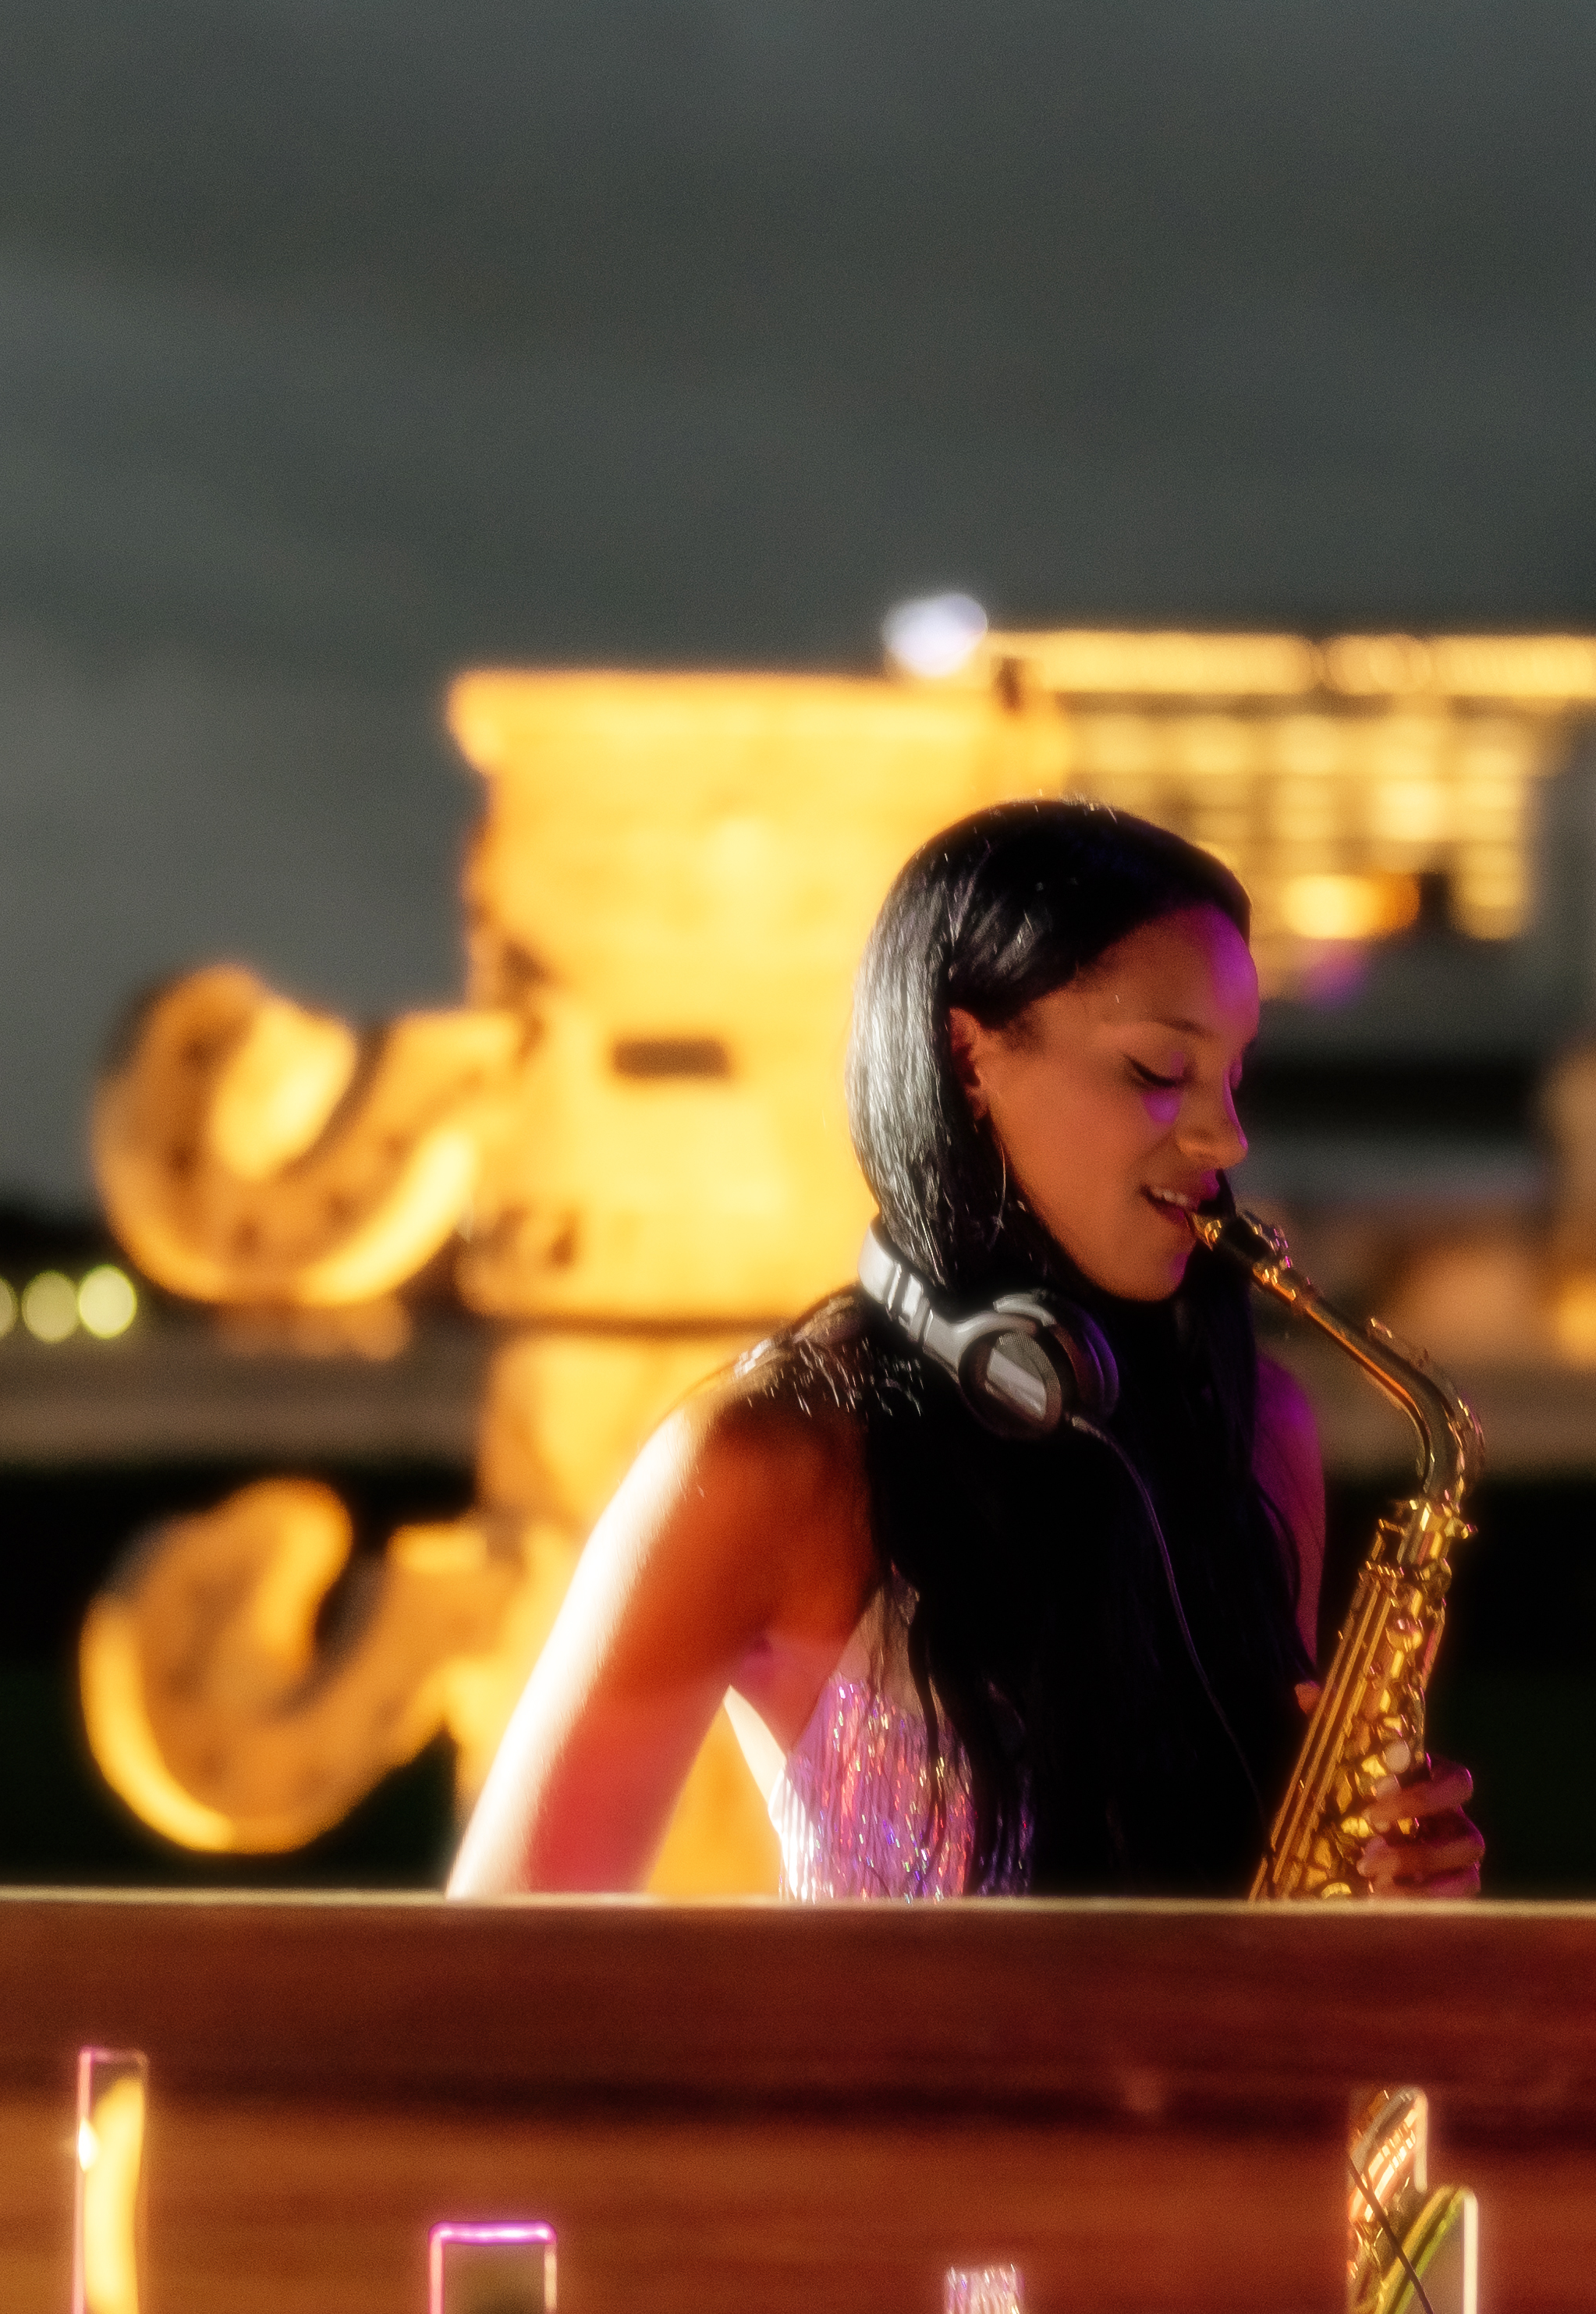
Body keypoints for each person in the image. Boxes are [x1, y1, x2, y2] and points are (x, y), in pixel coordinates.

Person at [452, 800, 1486, 1899]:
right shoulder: (771, 1460)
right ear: (968, 1056)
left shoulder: (1252, 1424)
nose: (1226, 1141)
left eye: (1233, 1079)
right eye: (1155, 1071)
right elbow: (503, 1946)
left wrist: (1381, 1886)